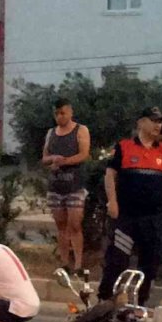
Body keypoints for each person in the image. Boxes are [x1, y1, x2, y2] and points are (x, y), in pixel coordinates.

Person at [97, 107, 162, 306]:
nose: (158, 125)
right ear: (141, 123)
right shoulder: (124, 146)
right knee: (117, 259)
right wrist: (112, 201)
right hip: (127, 215)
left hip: (154, 217)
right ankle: (105, 298)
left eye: (160, 121)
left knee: (150, 262)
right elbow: (110, 174)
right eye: (153, 121)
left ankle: (139, 303)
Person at [42, 97, 91, 276]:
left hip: (75, 185)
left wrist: (64, 161)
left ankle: (78, 264)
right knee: (61, 226)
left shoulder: (81, 130)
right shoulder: (51, 133)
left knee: (75, 224)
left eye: (62, 113)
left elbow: (84, 154)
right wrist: (52, 160)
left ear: (70, 112)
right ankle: (64, 263)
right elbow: (44, 157)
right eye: (56, 113)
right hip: (55, 186)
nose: (60, 117)